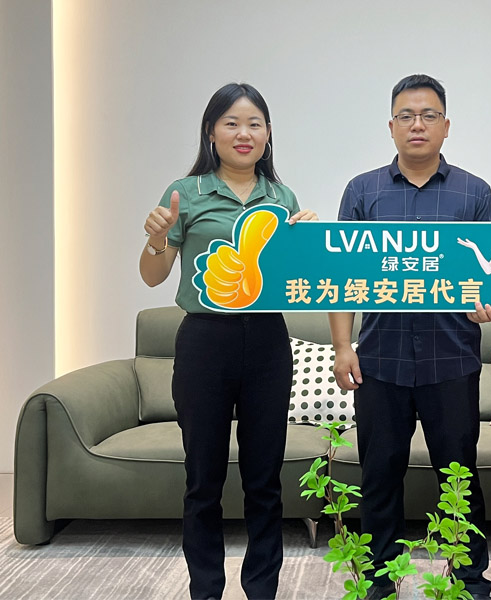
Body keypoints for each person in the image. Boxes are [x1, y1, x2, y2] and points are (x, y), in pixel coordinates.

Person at [139, 82, 317, 600]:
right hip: (204, 343)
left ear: (267, 134)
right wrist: (156, 239)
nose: (244, 133)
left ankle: (262, 590)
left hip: (267, 343)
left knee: (265, 480)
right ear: (211, 132)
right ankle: (206, 591)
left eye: (254, 124)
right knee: (203, 480)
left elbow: (298, 282)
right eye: (232, 123)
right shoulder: (185, 192)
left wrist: (308, 243)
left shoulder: (282, 198)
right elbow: (152, 276)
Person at [329, 74, 491, 600]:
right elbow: (340, 279)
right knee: (380, 475)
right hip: (381, 361)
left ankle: (470, 581)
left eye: (428, 115)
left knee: (459, 477)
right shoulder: (362, 191)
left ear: (446, 126)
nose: (417, 124)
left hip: (452, 360)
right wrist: (343, 347)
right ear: (391, 126)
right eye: (406, 115)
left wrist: (486, 304)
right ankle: (380, 581)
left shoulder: (475, 192)